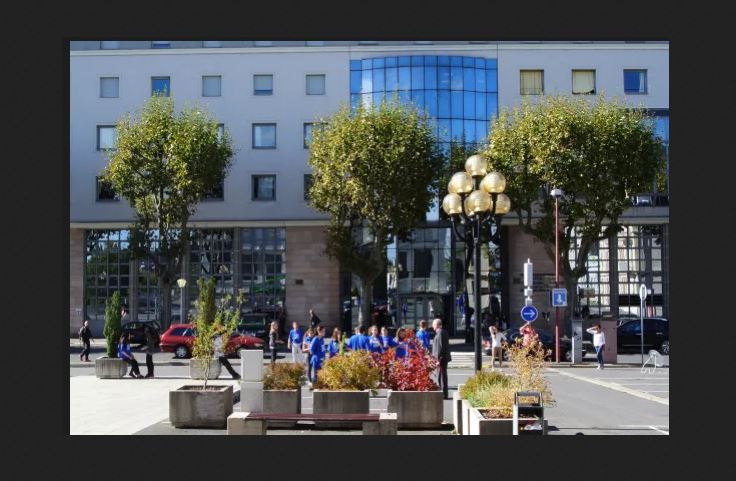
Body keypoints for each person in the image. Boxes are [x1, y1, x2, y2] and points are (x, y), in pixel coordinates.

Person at [431, 319, 451, 399]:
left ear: (437, 325)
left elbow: (441, 347)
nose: (432, 326)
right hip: (440, 359)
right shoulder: (440, 333)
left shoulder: (441, 333)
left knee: (442, 376)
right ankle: (442, 392)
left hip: (441, 359)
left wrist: (438, 359)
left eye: (433, 324)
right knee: (440, 375)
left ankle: (444, 393)